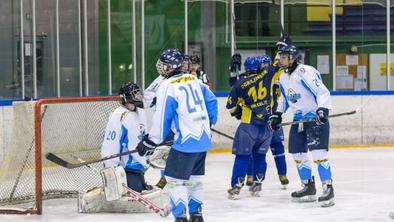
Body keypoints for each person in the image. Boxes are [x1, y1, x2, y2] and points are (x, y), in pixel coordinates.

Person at [136, 49, 218, 222]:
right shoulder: (193, 79)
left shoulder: (167, 86)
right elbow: (212, 100)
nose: (161, 67)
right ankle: (196, 215)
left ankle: (180, 216)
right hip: (203, 139)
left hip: (185, 142)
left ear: (170, 66)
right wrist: (207, 124)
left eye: (164, 64)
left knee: (174, 179)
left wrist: (152, 140)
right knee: (194, 179)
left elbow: (162, 117)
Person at [78, 82, 161, 213]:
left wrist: (147, 157)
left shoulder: (140, 112)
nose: (139, 97)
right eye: (135, 94)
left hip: (137, 167)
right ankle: (96, 196)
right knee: (126, 198)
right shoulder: (119, 115)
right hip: (125, 169)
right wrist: (112, 171)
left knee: (142, 190)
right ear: (126, 98)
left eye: (139, 94)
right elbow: (110, 145)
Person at [269, 45, 335, 207]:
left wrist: (322, 109)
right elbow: (284, 99)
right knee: (297, 153)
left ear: (292, 58)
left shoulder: (305, 71)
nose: (280, 59)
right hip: (298, 120)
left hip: (314, 118)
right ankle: (308, 186)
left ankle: (328, 188)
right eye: (280, 57)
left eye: (283, 57)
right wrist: (277, 114)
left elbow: (322, 92)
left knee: (319, 154)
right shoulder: (282, 77)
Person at [226, 56, 281, 199]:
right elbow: (277, 66)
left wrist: (237, 112)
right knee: (260, 155)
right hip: (267, 127)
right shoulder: (267, 76)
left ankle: (237, 185)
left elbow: (231, 106)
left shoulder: (240, 84)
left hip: (248, 126)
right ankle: (258, 183)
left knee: (242, 157)